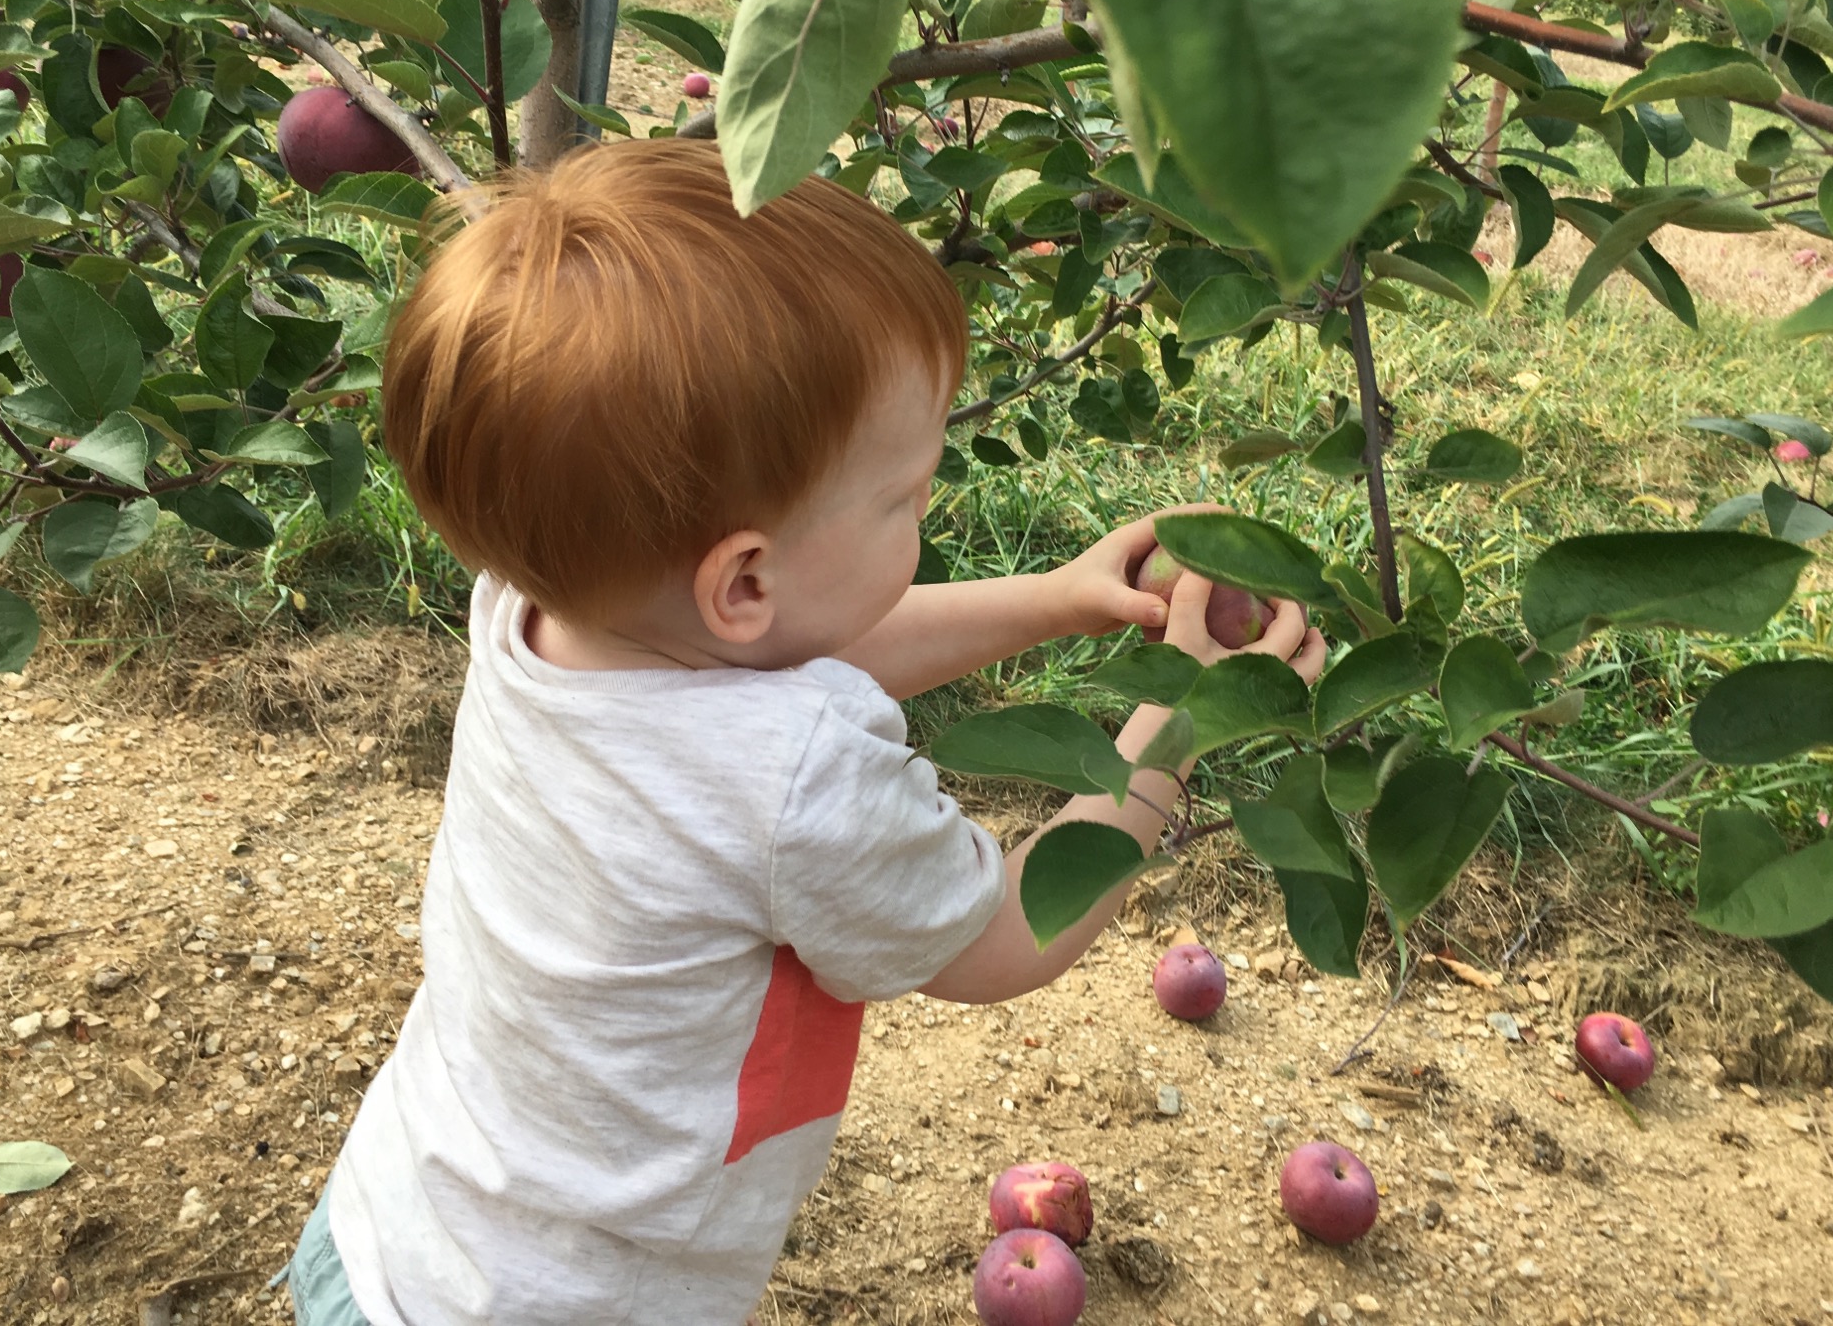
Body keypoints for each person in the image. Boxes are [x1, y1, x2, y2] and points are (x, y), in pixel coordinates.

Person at [280, 139, 1326, 1325]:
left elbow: (783, 663)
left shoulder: (535, 610)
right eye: (904, 495)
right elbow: (1001, 939)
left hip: (393, 1231)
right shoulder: (797, 785)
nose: (924, 504)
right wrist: (1180, 721)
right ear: (742, 582)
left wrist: (1051, 599)